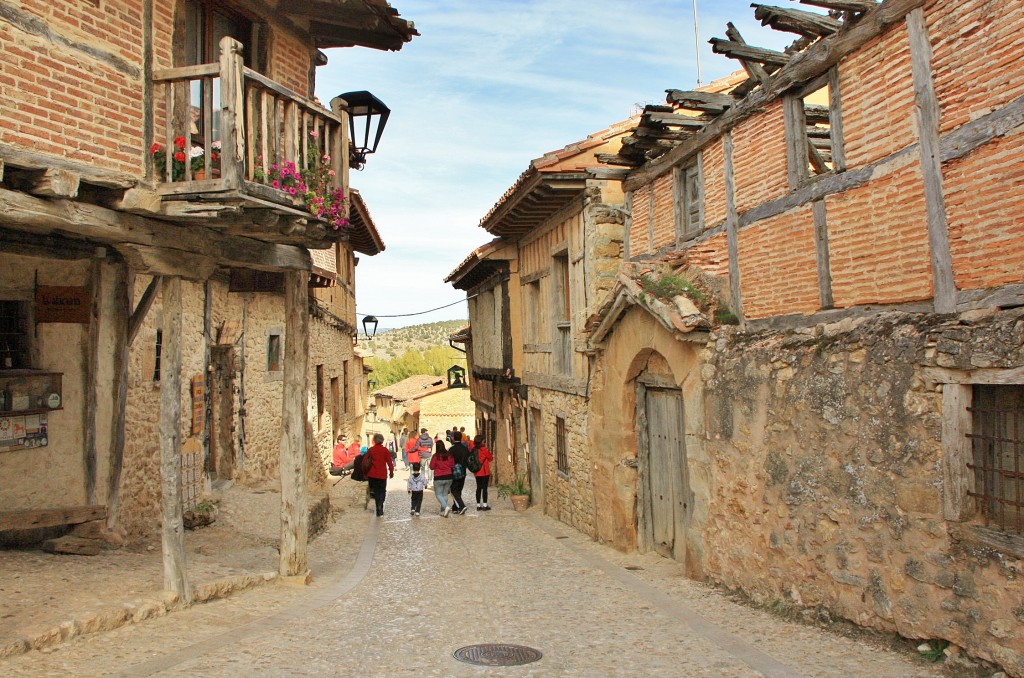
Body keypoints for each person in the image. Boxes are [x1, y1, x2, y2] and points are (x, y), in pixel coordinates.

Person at [364, 433, 395, 517]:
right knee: (382, 491)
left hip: (372, 474)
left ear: (374, 440)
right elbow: (389, 462)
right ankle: (380, 505)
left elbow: (364, 462)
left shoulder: (371, 450)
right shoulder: (385, 450)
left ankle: (378, 506)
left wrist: (365, 473)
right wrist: (391, 472)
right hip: (382, 474)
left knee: (376, 492)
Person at [429, 440, 455, 517]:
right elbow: (452, 465)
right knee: (445, 494)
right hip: (449, 476)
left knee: (438, 494)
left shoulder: (435, 456)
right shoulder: (449, 455)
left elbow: (431, 467)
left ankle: (445, 507)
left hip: (439, 477)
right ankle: (443, 511)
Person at [448, 430, 471, 514]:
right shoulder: (465, 449)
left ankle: (461, 506)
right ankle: (455, 507)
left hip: (454, 472)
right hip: (463, 472)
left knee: (454, 490)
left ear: (453, 438)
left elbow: (449, 461)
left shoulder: (451, 449)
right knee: (459, 490)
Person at [473, 434, 494, 511]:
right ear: (481, 441)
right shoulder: (484, 449)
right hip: (484, 472)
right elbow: (490, 458)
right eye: (484, 440)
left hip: (477, 472)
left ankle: (478, 505)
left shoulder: (474, 449)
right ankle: (485, 505)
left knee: (478, 488)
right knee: (484, 488)